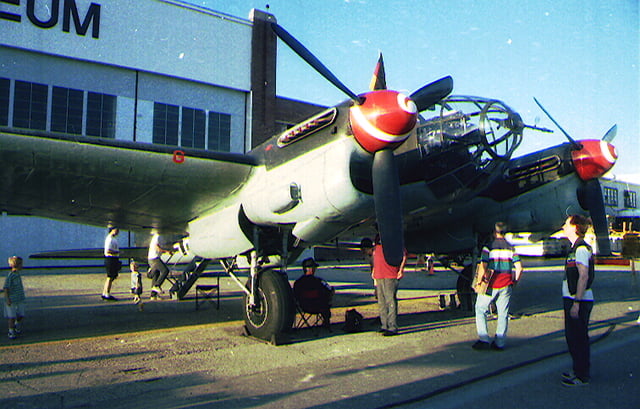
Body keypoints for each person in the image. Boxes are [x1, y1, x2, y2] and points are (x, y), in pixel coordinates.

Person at [472, 222, 523, 351]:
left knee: (480, 309)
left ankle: (484, 339)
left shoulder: (488, 247)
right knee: (503, 313)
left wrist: (478, 283)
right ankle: (500, 342)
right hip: (506, 284)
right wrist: (514, 282)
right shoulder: (511, 248)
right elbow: (519, 268)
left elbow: (483, 266)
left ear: (494, 233)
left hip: (491, 284)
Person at [560, 215, 595, 387]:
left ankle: (582, 376)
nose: (563, 226)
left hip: (577, 300)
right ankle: (577, 370)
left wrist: (576, 303)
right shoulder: (575, 248)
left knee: (578, 338)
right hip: (572, 298)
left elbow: (583, 276)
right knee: (572, 338)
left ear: (574, 227)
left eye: (566, 224)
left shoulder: (581, 249)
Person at [372, 235, 407, 336]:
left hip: (390, 274)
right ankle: (384, 325)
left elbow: (403, 254)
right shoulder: (377, 238)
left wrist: (401, 270)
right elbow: (375, 256)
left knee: (390, 300)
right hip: (379, 274)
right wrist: (374, 270)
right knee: (381, 301)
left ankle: (392, 326)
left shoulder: (393, 237)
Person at [293, 258, 334, 328]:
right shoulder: (318, 281)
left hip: (304, 306)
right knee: (325, 297)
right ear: (310, 269)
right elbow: (330, 289)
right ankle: (326, 321)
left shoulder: (297, 283)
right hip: (319, 307)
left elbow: (295, 296)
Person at [4, 256, 26, 340]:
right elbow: (6, 288)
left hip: (20, 299)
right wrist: (7, 299)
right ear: (17, 265)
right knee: (11, 317)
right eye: (21, 264)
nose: (22, 266)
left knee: (21, 315)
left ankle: (17, 324)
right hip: (12, 300)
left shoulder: (18, 274)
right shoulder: (11, 276)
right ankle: (11, 331)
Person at [147, 232, 172, 299]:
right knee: (165, 271)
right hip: (154, 258)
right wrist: (166, 251)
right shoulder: (157, 236)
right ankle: (156, 285)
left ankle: (153, 295)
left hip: (153, 258)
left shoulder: (160, 236)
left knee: (156, 275)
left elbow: (163, 246)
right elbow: (157, 248)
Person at [102, 227, 121, 301]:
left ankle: (105, 292)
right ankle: (107, 293)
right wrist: (117, 252)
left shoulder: (114, 239)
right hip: (110, 258)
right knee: (110, 276)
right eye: (116, 230)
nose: (117, 232)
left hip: (114, 258)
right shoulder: (109, 239)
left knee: (112, 276)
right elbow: (108, 251)